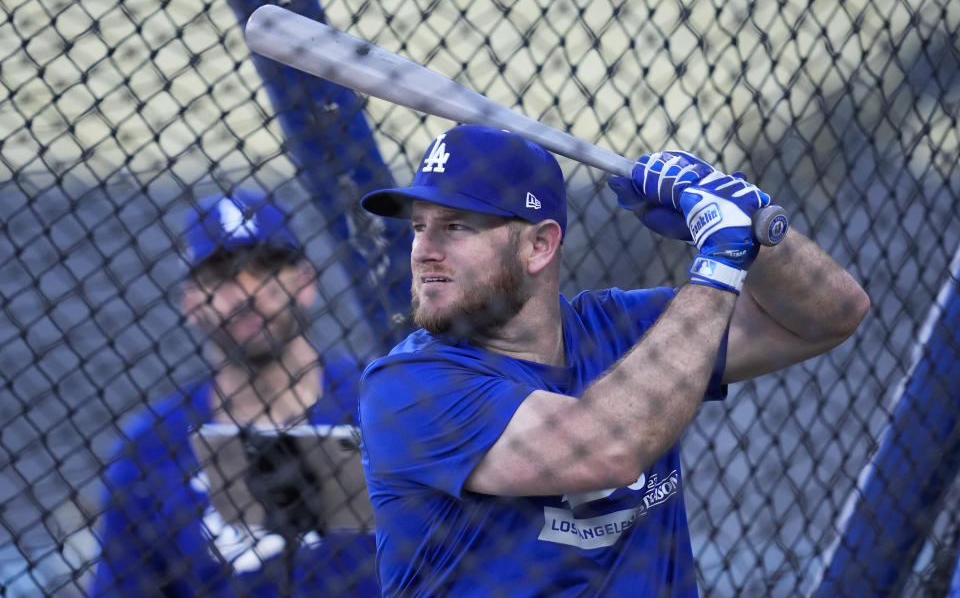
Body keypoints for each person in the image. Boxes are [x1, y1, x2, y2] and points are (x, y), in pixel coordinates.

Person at [357, 124, 870, 597]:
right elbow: (603, 450)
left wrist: (756, 227)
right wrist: (719, 262)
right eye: (419, 227)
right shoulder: (406, 388)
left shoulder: (623, 328)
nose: (424, 249)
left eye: (455, 227)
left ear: (539, 245)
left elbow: (833, 313)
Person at [91, 189, 379, 597]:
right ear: (191, 304)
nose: (246, 294)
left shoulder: (392, 403)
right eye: (222, 277)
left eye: (264, 269)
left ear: (305, 283)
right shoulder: (149, 453)